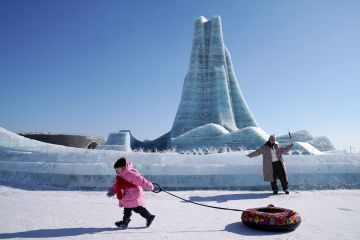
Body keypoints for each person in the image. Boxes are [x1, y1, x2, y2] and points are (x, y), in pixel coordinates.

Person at [107, 157, 155, 229]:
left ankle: (125, 222)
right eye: (116, 169)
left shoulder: (131, 174)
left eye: (118, 169)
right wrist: (113, 190)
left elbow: (141, 180)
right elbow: (117, 184)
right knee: (135, 209)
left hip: (133, 196)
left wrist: (150, 186)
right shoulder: (120, 175)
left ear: (123, 167)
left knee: (129, 209)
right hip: (127, 196)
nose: (117, 171)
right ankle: (149, 216)